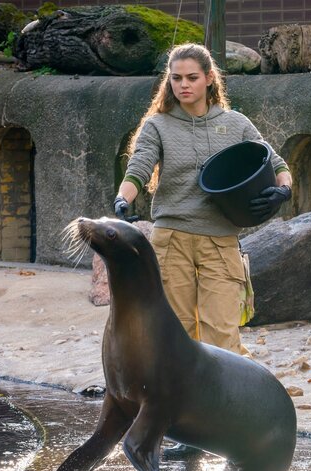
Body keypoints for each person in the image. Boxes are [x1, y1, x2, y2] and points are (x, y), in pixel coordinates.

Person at [114, 42, 292, 356]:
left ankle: (224, 403)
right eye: (176, 78)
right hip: (172, 240)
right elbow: (139, 167)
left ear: (209, 78)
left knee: (221, 333)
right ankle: (179, 403)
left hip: (221, 241)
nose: (183, 84)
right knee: (176, 331)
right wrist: (122, 199)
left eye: (192, 77)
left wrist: (283, 191)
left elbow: (277, 164)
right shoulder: (158, 125)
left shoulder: (236, 123)